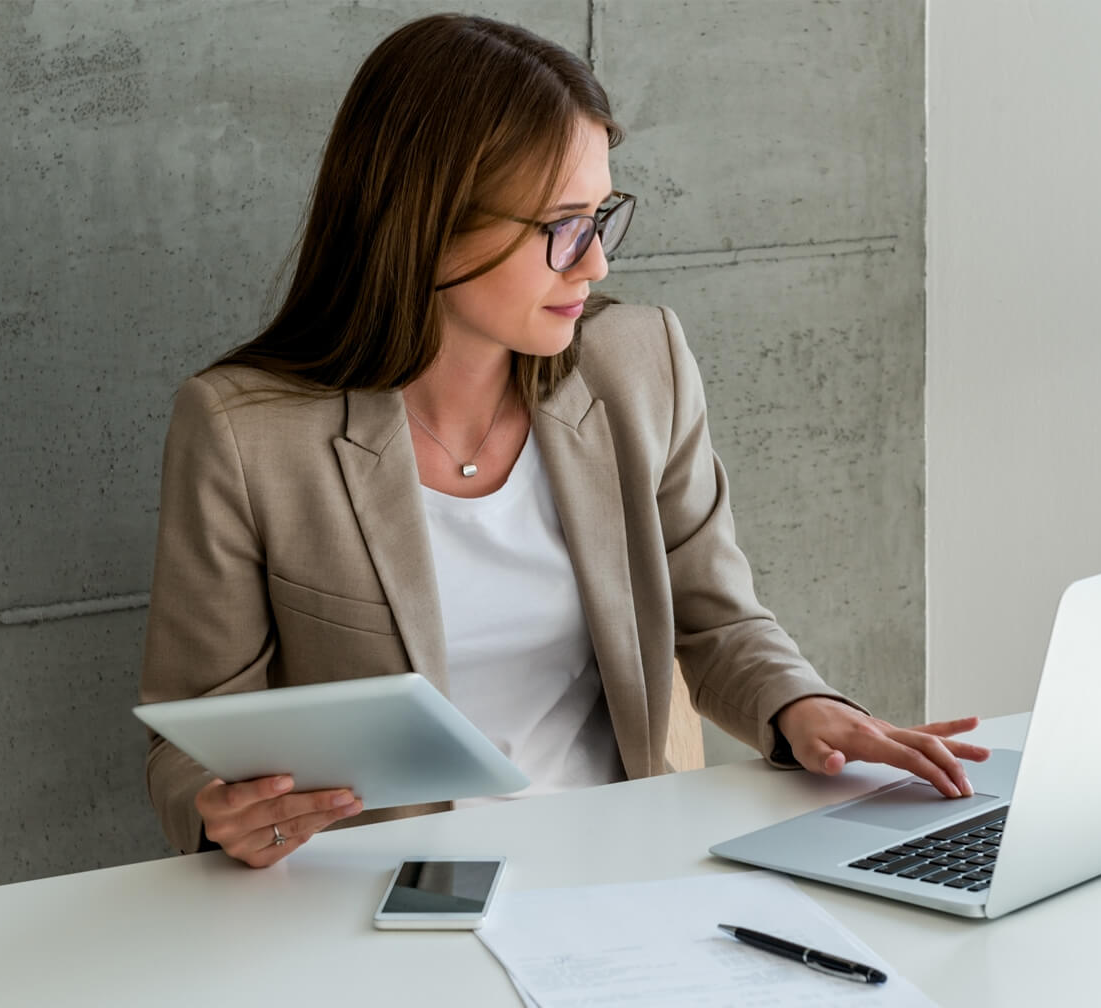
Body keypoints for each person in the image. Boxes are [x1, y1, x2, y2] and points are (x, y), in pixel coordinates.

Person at [139, 13, 987, 868]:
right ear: (430, 225)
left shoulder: (638, 363)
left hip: (633, 864)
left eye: (600, 217)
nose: (594, 264)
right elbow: (191, 735)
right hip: (388, 900)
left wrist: (803, 708)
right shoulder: (246, 435)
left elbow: (716, 618)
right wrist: (222, 814)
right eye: (562, 226)